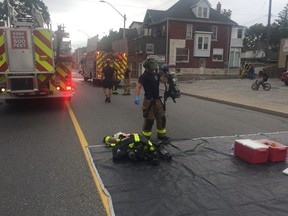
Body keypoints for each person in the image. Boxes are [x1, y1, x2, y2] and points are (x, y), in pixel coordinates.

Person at [134, 58, 169, 141]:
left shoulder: (156, 74)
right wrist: (137, 96)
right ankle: (146, 138)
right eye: (152, 66)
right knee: (149, 120)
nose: (154, 68)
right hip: (148, 101)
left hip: (157, 100)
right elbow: (138, 86)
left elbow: (164, 81)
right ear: (148, 67)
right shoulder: (143, 76)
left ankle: (161, 135)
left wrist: (165, 72)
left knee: (161, 118)